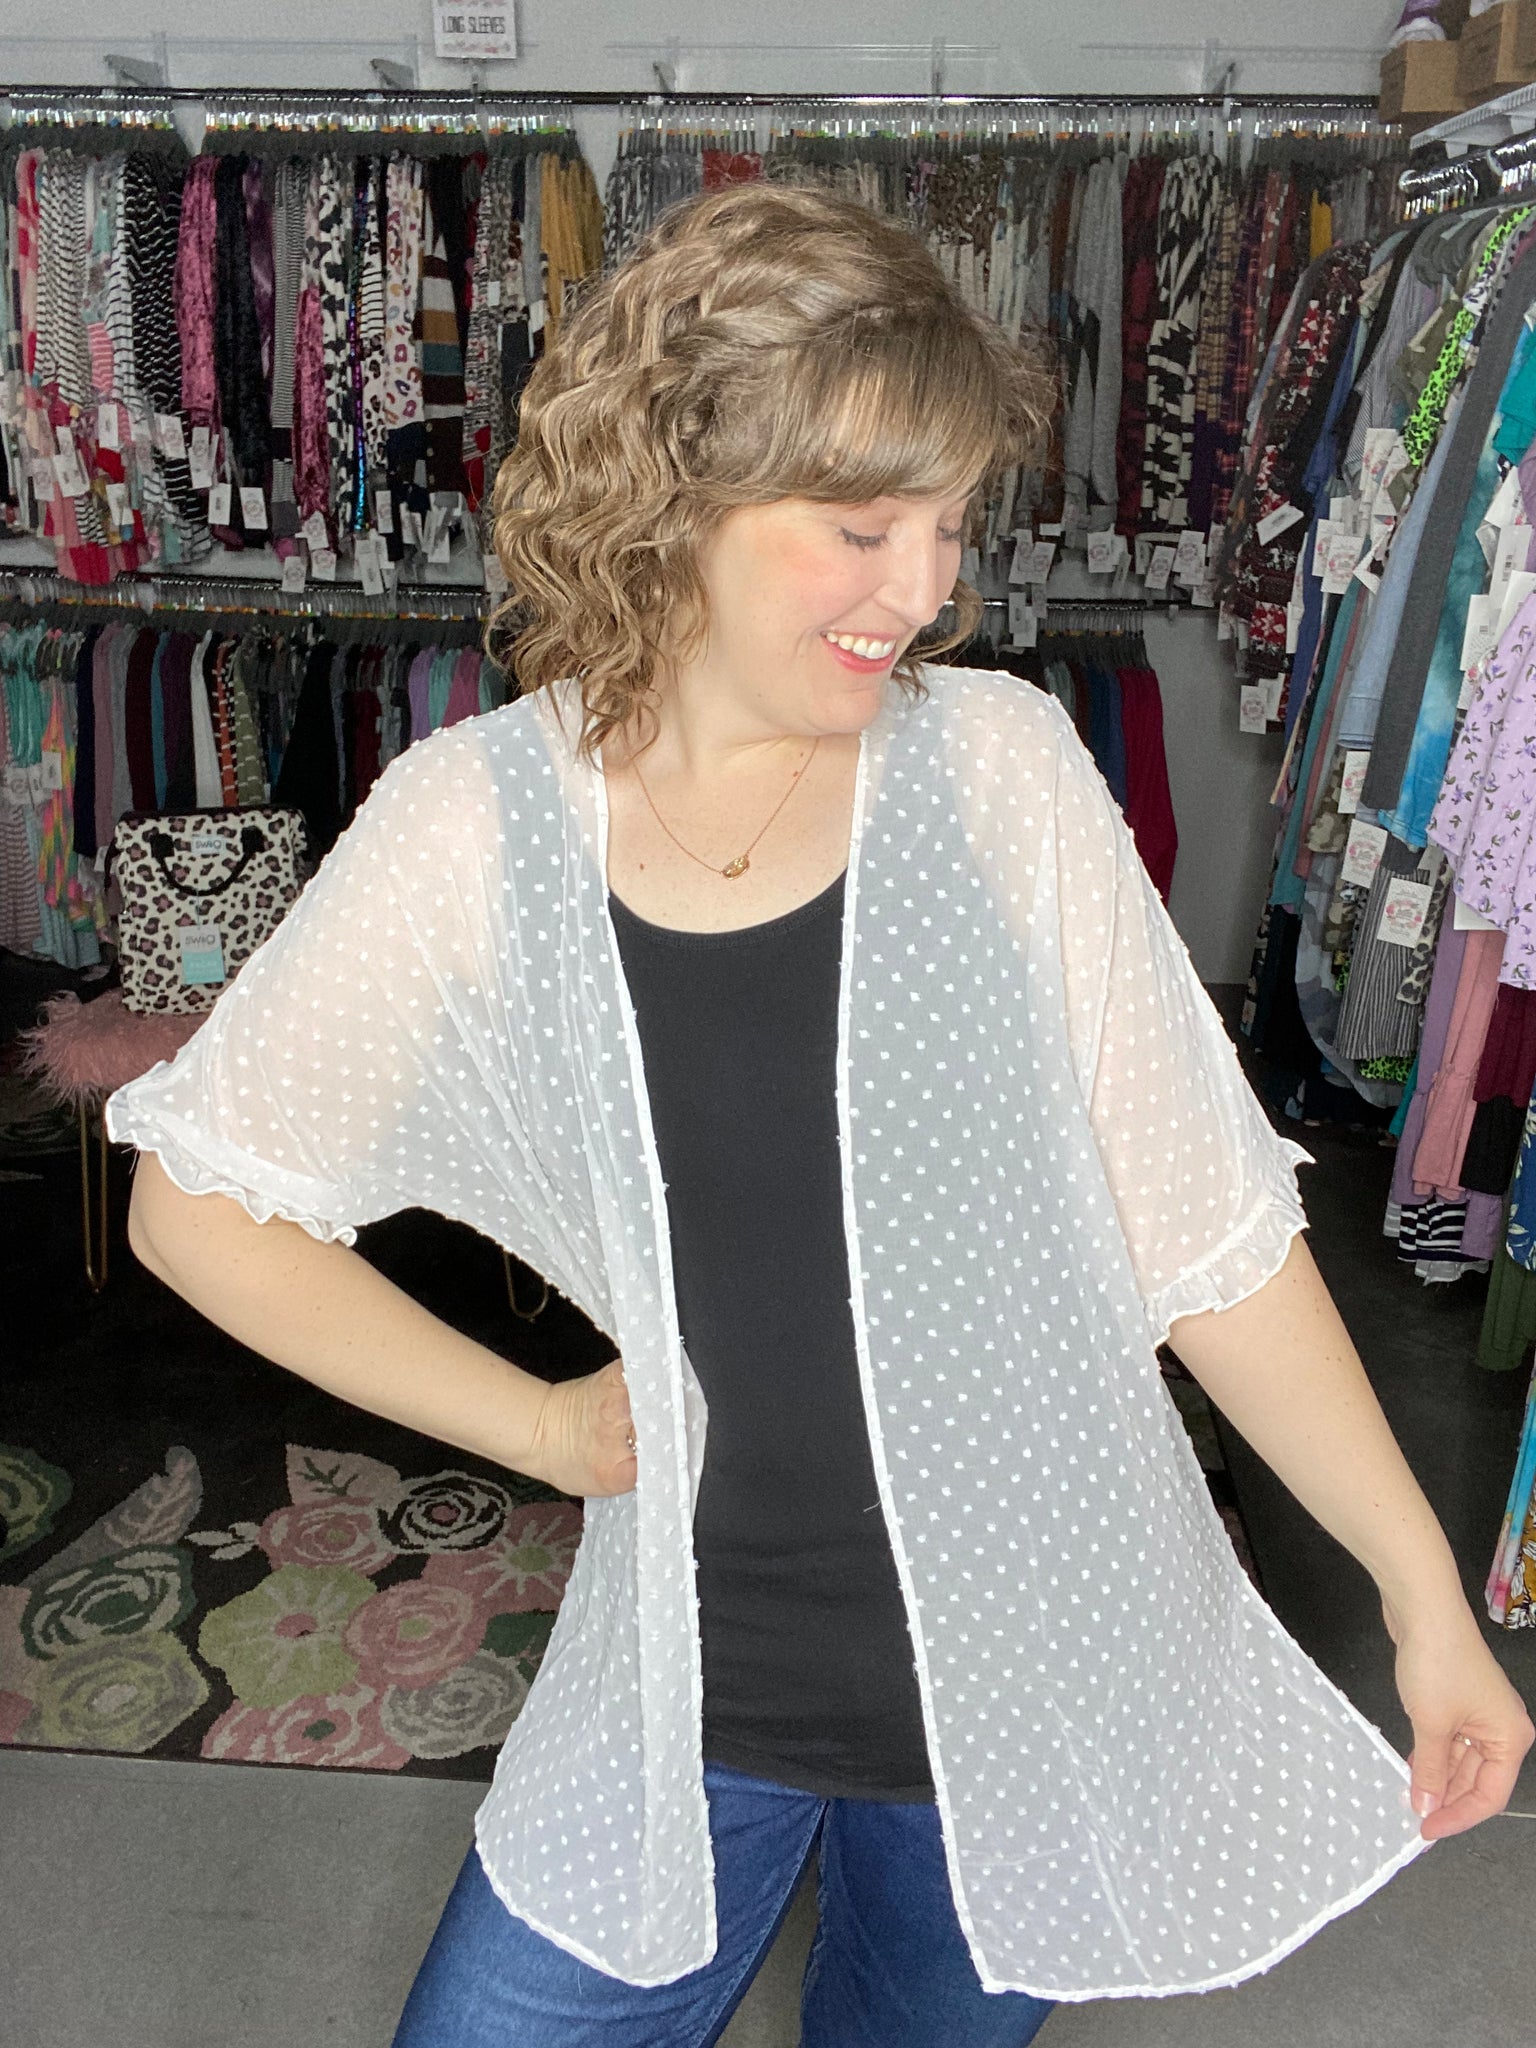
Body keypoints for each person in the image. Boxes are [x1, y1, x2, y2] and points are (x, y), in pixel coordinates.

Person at [109, 185, 1533, 2048]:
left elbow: (1207, 1241)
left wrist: (1424, 1596)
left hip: (1026, 1675)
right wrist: (536, 1423)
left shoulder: (1002, 775)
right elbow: (199, 1208)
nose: (923, 590)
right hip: (691, 1677)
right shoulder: (479, 825)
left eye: (947, 526)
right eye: (862, 528)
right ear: (676, 492)